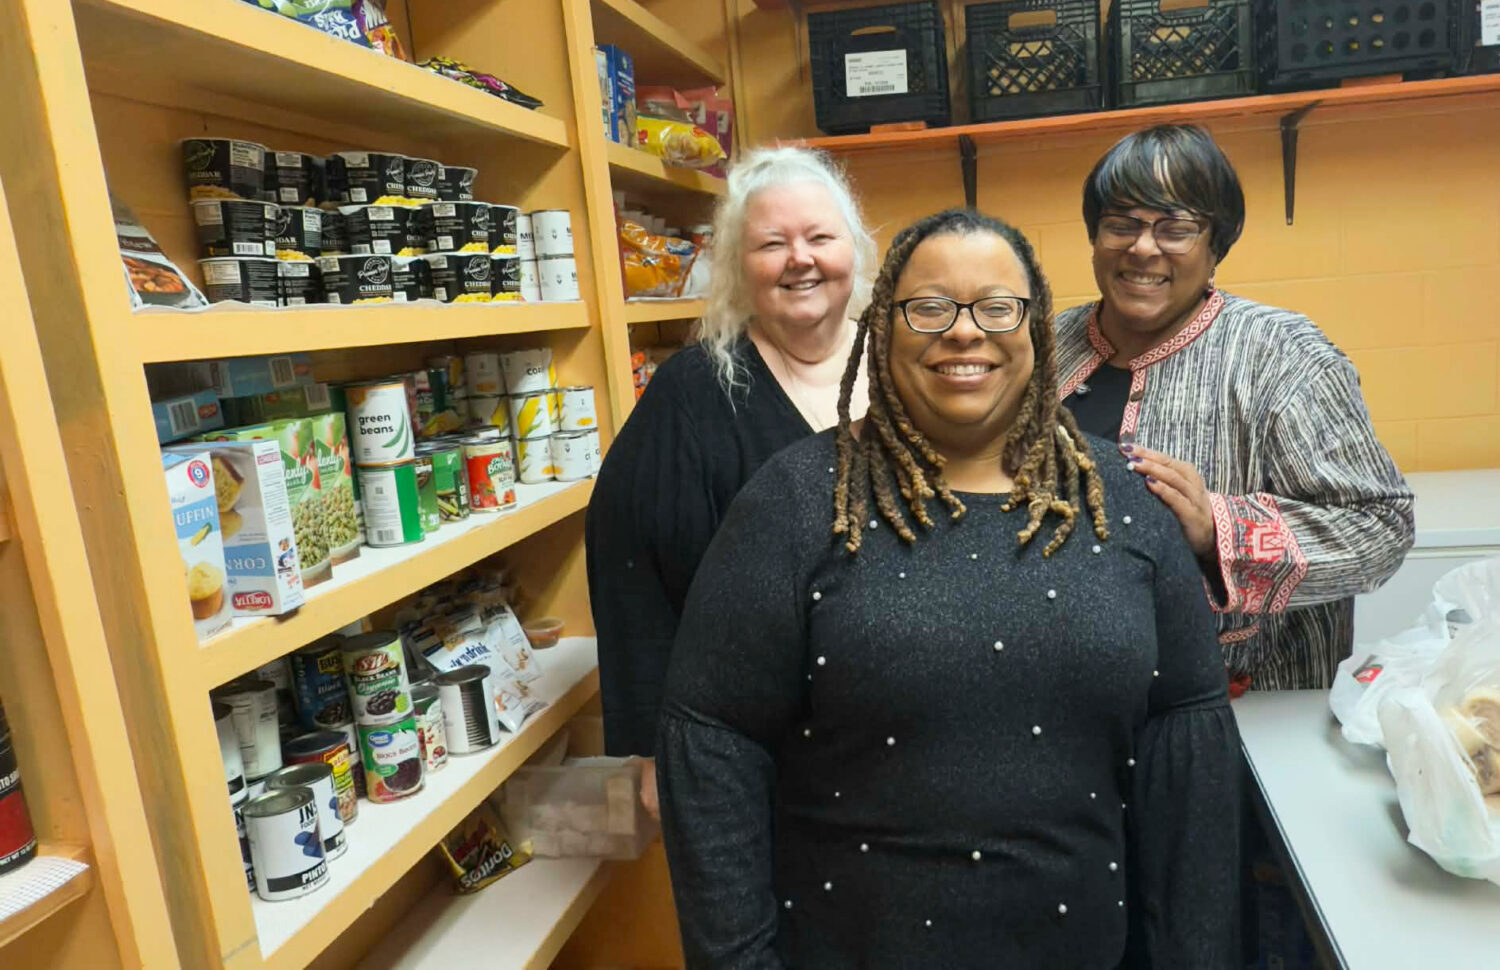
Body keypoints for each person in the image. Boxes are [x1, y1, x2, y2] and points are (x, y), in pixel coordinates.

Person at [657, 209, 1240, 969]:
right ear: (882, 331)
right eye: (928, 308)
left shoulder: (1123, 501)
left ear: (1035, 330)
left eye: (998, 307)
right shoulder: (796, 503)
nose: (965, 332)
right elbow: (710, 739)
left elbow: (1187, 742)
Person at [1057, 124, 1414, 694]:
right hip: (1073, 701)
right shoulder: (1047, 347)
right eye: (1120, 224)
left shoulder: (1283, 355)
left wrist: (1217, 529)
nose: (1142, 248)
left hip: (1245, 707)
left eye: (1175, 228)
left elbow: (1379, 528)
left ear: (1215, 244)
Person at [585, 146, 877, 816]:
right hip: (754, 746)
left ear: (853, 252)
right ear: (739, 269)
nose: (799, 259)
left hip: (901, 732)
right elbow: (629, 563)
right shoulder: (694, 393)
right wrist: (655, 749)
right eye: (772, 244)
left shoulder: (908, 365)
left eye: (820, 238)